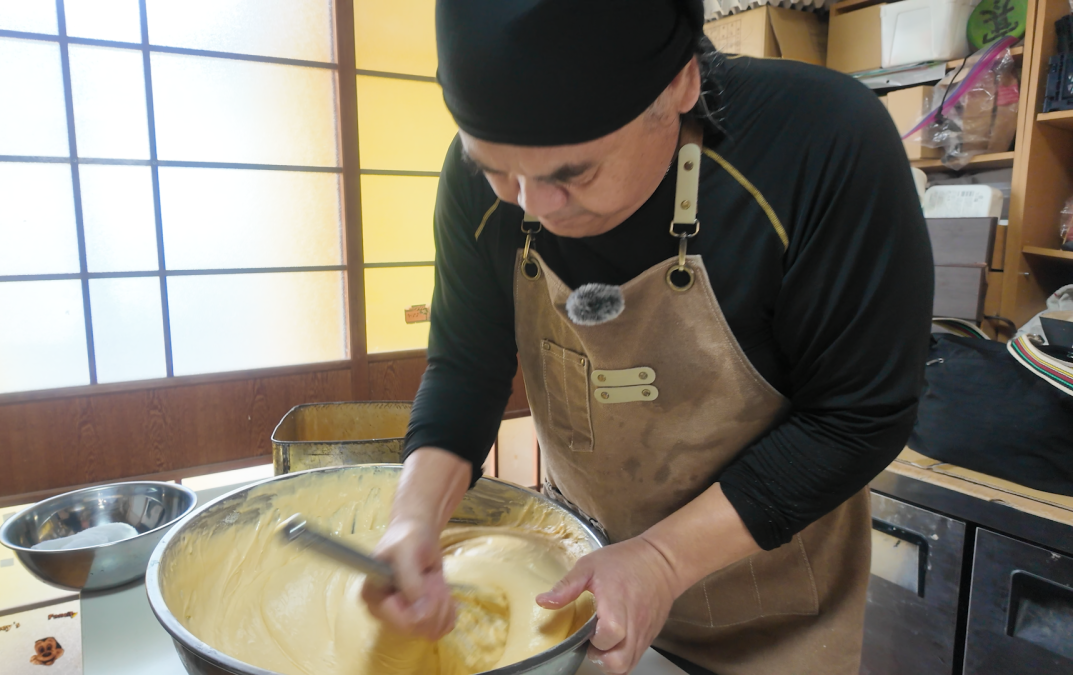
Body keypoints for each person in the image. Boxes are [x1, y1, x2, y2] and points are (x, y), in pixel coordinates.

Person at [359, 1, 935, 673]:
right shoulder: (488, 185)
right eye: (494, 168)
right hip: (582, 596)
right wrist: (414, 518)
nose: (528, 205)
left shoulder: (822, 143)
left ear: (681, 84)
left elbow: (858, 415)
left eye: (572, 174)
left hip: (770, 606)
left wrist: (661, 560)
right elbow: (465, 368)